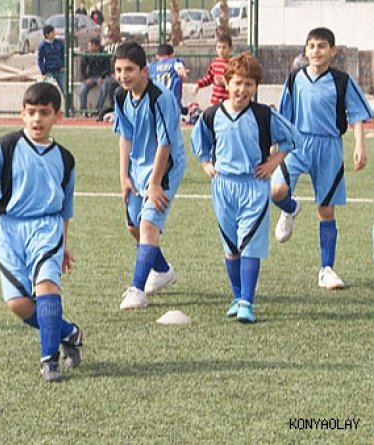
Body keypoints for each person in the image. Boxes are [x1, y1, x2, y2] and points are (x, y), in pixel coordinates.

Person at [0, 82, 83, 383]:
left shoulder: (65, 159)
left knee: (46, 288)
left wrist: (63, 245)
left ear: (58, 117)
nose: (37, 119)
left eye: (44, 113)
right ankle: (68, 331)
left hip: (46, 227)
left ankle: (49, 361)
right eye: (31, 113)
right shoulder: (7, 145)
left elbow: (65, 209)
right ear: (21, 115)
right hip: (9, 231)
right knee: (19, 304)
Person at [190, 53, 298, 323]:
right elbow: (198, 143)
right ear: (227, 82)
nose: (243, 89)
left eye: (249, 84)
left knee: (250, 244)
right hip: (223, 186)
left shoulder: (264, 115)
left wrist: (273, 163)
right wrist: (206, 163)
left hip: (254, 185)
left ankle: (248, 302)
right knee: (231, 246)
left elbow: (290, 139)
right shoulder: (212, 115)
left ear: (255, 87)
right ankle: (237, 296)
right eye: (238, 82)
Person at [270, 27, 373, 290]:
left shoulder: (341, 80)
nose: (316, 51)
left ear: (333, 51)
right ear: (305, 50)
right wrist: (276, 145)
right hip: (298, 143)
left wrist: (360, 146)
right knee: (276, 189)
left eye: (322, 46)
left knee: (326, 210)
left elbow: (358, 114)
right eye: (312, 46)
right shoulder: (295, 79)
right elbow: (284, 115)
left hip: (329, 147)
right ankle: (291, 209)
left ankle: (326, 269)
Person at [113, 42, 186, 311]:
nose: (123, 75)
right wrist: (124, 177)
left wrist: (155, 184)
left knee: (147, 225)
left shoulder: (160, 98)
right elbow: (125, 136)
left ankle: (137, 289)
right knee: (133, 226)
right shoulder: (120, 96)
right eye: (119, 70)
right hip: (139, 167)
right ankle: (163, 270)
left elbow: (165, 144)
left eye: (129, 69)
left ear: (145, 70)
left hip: (165, 167)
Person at [78, 36, 114, 117]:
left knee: (104, 89)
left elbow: (108, 69)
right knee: (83, 90)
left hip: (103, 78)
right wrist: (86, 79)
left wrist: (101, 77)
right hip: (91, 77)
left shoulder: (104, 54)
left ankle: (97, 111)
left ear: (96, 46)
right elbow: (82, 69)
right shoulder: (87, 54)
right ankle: (83, 111)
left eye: (90, 45)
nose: (89, 47)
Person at [193, 34, 232, 105]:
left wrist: (224, 82)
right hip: (215, 101)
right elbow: (209, 78)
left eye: (224, 47)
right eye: (219, 47)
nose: (221, 50)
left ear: (230, 49)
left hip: (228, 102)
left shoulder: (233, 64)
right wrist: (198, 85)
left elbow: (236, 82)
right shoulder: (215, 63)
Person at [148, 43, 187, 114]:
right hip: (172, 101)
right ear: (173, 54)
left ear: (157, 56)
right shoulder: (175, 62)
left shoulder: (152, 66)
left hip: (156, 101)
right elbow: (179, 66)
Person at [37, 25, 65, 95]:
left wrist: (63, 65)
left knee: (65, 89)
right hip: (49, 72)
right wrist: (43, 72)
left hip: (59, 71)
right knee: (47, 90)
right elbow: (40, 60)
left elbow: (63, 55)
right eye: (52, 32)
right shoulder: (42, 46)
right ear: (47, 34)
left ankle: (70, 105)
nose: (54, 33)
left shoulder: (59, 43)